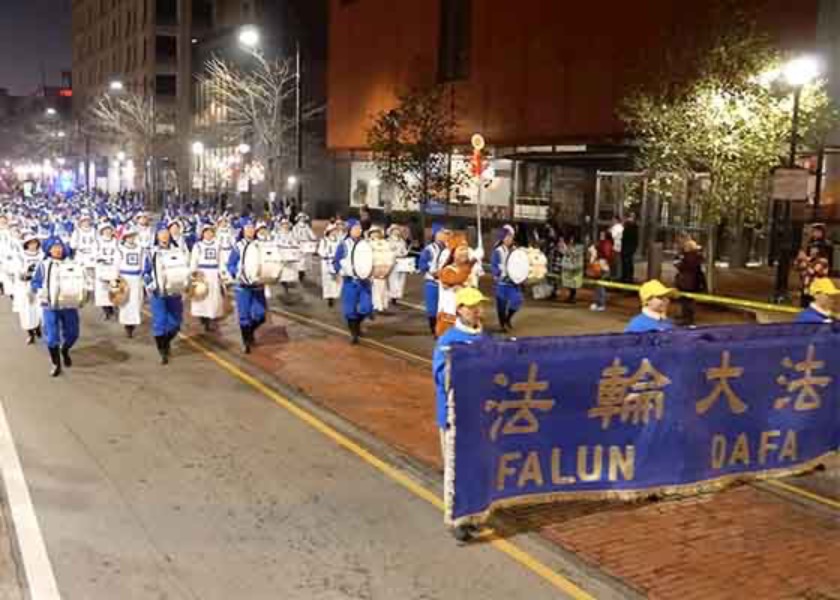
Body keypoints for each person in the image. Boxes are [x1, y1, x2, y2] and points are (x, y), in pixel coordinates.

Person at [432, 287, 487, 543]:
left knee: (478, 468)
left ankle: (475, 516)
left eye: (479, 305)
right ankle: (457, 518)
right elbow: (440, 376)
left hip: (480, 417)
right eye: (470, 305)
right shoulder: (448, 340)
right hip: (455, 416)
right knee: (456, 469)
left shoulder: (484, 338)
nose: (476, 310)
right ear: (459, 309)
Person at [31, 237, 80, 377]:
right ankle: (55, 362)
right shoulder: (44, 264)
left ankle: (64, 350)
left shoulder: (72, 262)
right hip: (50, 305)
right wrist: (39, 291)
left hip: (68, 304)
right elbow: (35, 282)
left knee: (73, 334)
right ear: (48, 249)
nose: (57, 250)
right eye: (54, 247)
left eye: (59, 247)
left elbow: (80, 279)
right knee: (52, 337)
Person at [144, 226, 186, 365]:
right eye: (161, 234)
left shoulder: (178, 250)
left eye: (166, 234)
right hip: (158, 292)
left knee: (176, 322)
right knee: (160, 321)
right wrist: (150, 283)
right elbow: (146, 271)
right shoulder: (151, 252)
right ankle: (163, 351)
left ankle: (166, 341)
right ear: (156, 236)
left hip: (175, 291)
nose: (164, 237)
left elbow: (184, 268)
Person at [227, 220, 267, 354]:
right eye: (247, 229)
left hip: (257, 285)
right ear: (243, 231)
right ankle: (246, 341)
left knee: (261, 315)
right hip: (242, 286)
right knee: (244, 315)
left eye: (252, 228)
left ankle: (249, 332)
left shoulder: (260, 245)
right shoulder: (238, 246)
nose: (250, 231)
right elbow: (231, 264)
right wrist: (236, 273)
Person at [333, 219, 373, 344]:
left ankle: (357, 324)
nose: (359, 230)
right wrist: (341, 270)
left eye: (360, 228)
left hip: (364, 281)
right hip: (349, 281)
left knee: (366, 308)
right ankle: (354, 333)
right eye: (356, 228)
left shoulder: (366, 244)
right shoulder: (343, 245)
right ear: (349, 230)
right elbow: (336, 261)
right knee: (350, 310)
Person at [436, 234, 481, 337]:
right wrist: (472, 262)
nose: (465, 252)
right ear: (453, 253)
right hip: (449, 320)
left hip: (466, 318)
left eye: (466, 249)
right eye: (461, 249)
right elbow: (458, 278)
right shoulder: (447, 271)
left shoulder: (469, 271)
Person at [190, 223, 226, 332]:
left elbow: (221, 260)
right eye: (206, 232)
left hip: (214, 274)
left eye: (210, 232)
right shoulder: (198, 246)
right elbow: (194, 261)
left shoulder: (217, 245)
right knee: (202, 296)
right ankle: (203, 317)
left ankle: (212, 318)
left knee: (213, 297)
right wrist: (194, 273)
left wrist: (222, 273)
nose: (208, 234)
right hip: (202, 273)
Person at [491, 224, 523, 331]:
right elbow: (494, 264)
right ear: (502, 238)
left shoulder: (516, 250)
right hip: (502, 282)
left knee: (517, 300)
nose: (509, 239)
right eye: (507, 237)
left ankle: (508, 318)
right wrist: (497, 273)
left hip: (513, 282)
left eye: (511, 237)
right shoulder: (498, 251)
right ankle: (502, 325)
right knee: (501, 305)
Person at [418, 224, 449, 335]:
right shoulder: (429, 249)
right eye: (442, 233)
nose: (445, 236)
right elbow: (422, 265)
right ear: (436, 235)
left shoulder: (450, 249)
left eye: (446, 234)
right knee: (432, 308)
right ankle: (434, 329)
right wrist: (432, 271)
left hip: (445, 283)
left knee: (445, 307)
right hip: (432, 282)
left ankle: (442, 328)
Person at [115, 226, 145, 338]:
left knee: (136, 301)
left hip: (137, 279)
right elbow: (116, 265)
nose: (131, 238)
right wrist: (116, 281)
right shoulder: (120, 249)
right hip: (125, 278)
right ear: (125, 238)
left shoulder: (140, 249)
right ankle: (127, 326)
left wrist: (143, 276)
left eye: (133, 236)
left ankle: (133, 323)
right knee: (125, 302)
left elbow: (142, 264)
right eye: (128, 236)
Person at [14, 233, 42, 344]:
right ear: (26, 244)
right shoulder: (20, 256)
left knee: (40, 310)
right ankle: (30, 334)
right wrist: (25, 275)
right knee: (26, 312)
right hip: (25, 288)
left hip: (39, 287)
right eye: (30, 243)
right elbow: (18, 271)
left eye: (35, 242)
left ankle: (38, 327)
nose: (33, 245)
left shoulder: (42, 254)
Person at [673, 238, 705, 326]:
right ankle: (686, 317)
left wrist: (677, 259)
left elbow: (680, 266)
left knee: (686, 301)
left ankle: (687, 318)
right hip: (692, 282)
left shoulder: (689, 257)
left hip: (687, 283)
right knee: (687, 301)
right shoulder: (695, 257)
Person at [93, 222, 119, 320]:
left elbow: (119, 253)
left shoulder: (116, 241)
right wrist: (100, 259)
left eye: (109, 229)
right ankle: (106, 311)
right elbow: (94, 253)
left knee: (114, 289)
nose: (107, 232)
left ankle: (114, 309)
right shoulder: (98, 242)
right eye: (105, 230)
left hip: (113, 268)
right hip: (102, 268)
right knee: (102, 292)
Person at [317, 223, 343, 307]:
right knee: (328, 280)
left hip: (337, 262)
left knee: (337, 279)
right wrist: (326, 255)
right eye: (332, 231)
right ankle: (329, 297)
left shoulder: (339, 240)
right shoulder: (324, 240)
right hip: (327, 263)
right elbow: (320, 251)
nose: (334, 232)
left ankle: (336, 295)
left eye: (335, 230)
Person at [586, 232, 611, 311]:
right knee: (597, 286)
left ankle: (601, 304)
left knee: (601, 286)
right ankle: (596, 302)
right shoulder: (600, 244)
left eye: (603, 235)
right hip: (598, 267)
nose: (601, 236)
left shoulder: (607, 244)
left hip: (603, 268)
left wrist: (598, 251)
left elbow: (607, 255)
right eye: (600, 235)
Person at [387, 225, 410, 305]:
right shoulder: (389, 241)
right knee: (393, 279)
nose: (397, 231)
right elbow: (388, 251)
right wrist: (395, 254)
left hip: (402, 261)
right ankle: (393, 295)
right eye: (395, 230)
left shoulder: (402, 241)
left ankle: (398, 294)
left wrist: (405, 253)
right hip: (393, 261)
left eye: (398, 230)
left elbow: (404, 250)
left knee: (402, 278)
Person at [560, 228, 584, 304]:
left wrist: (569, 250)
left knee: (574, 282)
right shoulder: (572, 245)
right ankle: (571, 296)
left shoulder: (579, 246)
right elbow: (567, 252)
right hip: (571, 266)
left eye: (572, 239)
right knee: (570, 282)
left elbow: (574, 253)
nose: (571, 240)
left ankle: (572, 297)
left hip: (576, 267)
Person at [621, 213, 639, 283]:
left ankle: (627, 277)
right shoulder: (631, 226)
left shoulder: (630, 226)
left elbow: (627, 237)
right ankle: (627, 277)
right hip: (628, 247)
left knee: (627, 262)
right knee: (627, 262)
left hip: (628, 247)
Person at [609, 216, 624, 280]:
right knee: (618, 262)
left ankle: (615, 276)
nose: (612, 221)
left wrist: (610, 230)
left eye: (613, 220)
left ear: (616, 220)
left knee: (615, 262)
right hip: (620, 246)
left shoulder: (615, 227)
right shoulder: (622, 227)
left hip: (615, 247)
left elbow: (613, 236)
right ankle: (619, 275)